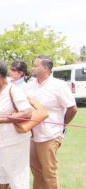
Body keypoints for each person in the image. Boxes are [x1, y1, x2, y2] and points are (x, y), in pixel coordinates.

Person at [26, 56, 77, 189]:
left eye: (36, 65)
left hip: (50, 135)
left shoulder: (58, 85)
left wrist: (62, 125)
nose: (33, 68)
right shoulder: (30, 86)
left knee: (49, 173)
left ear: (46, 68)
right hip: (32, 135)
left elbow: (72, 108)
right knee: (36, 171)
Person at [0, 61, 32, 189]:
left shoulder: (13, 90)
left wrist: (2, 120)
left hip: (15, 140)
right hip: (0, 139)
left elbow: (27, 112)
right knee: (3, 170)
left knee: (17, 175)